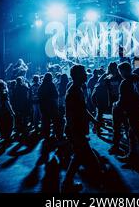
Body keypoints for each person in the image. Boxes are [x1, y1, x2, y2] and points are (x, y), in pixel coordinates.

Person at [62, 64, 103, 192]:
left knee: (78, 158)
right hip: (76, 132)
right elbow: (70, 115)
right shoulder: (74, 92)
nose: (86, 74)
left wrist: (95, 121)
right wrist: (75, 134)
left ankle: (66, 185)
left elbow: (83, 110)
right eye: (84, 72)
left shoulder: (77, 89)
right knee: (91, 161)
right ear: (78, 75)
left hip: (77, 132)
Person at [116, 62, 139, 162]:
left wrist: (117, 105)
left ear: (123, 70)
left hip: (133, 110)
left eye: (120, 71)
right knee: (133, 133)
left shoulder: (125, 83)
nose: (119, 73)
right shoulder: (136, 77)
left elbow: (122, 100)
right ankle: (132, 155)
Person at [38, 73, 62, 140]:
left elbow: (39, 96)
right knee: (55, 121)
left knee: (46, 121)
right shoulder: (51, 85)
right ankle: (57, 136)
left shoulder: (41, 86)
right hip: (52, 106)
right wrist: (56, 105)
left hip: (43, 106)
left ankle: (46, 136)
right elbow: (56, 95)